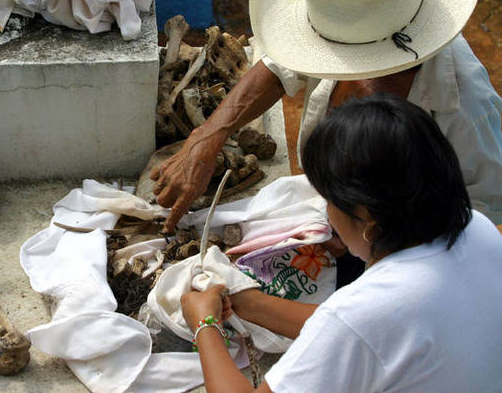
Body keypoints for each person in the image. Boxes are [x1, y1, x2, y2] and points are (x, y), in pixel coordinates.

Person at [150, 0, 502, 233]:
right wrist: (206, 139)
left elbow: (480, 215)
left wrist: (378, 235)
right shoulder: (350, 14)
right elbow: (278, 67)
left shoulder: (469, 112)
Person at [180, 94, 502, 392]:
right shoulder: (477, 229)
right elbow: (365, 334)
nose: (326, 212)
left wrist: (205, 325)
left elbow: (353, 328)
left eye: (329, 199)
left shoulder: (359, 315)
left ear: (367, 215)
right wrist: (250, 304)